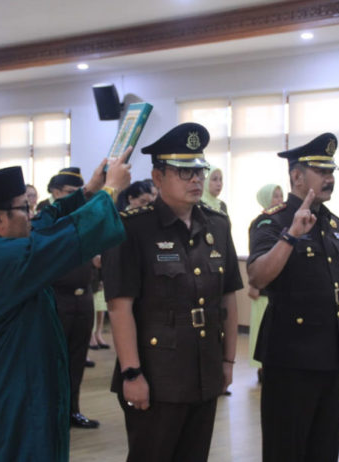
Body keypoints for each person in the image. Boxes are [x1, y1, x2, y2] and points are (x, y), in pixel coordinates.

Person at [0, 149, 131, 462]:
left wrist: (89, 190)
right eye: (24, 207)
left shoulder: (2, 245)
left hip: (27, 385)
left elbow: (46, 220)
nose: (31, 213)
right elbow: (63, 238)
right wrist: (111, 191)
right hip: (13, 397)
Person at [102, 122, 243, 462]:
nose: (196, 179)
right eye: (183, 171)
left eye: (199, 170)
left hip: (204, 371)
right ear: (158, 176)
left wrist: (227, 361)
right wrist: (131, 373)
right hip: (157, 376)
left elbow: (228, 297)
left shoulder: (217, 224)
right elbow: (120, 308)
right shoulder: (133, 228)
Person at [247, 133, 339, 462]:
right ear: (296, 176)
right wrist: (290, 235)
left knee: (325, 448)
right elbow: (258, 276)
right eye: (321, 171)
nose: (329, 178)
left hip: (331, 354)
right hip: (290, 356)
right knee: (286, 448)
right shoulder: (272, 220)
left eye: (331, 171)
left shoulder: (333, 223)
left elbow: (337, 290)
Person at [48, 167, 102, 429]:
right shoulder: (48, 219)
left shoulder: (83, 217)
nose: (76, 197)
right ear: (56, 192)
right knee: (53, 359)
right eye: (70, 192)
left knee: (77, 357)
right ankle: (52, 413)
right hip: (57, 297)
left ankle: (73, 410)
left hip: (84, 297)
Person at [247, 184, 283, 382]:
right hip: (263, 289)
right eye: (275, 196)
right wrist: (254, 285)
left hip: (280, 287)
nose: (279, 199)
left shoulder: (284, 221)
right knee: (260, 328)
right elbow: (255, 256)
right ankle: (261, 368)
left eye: (281, 195)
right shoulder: (259, 223)